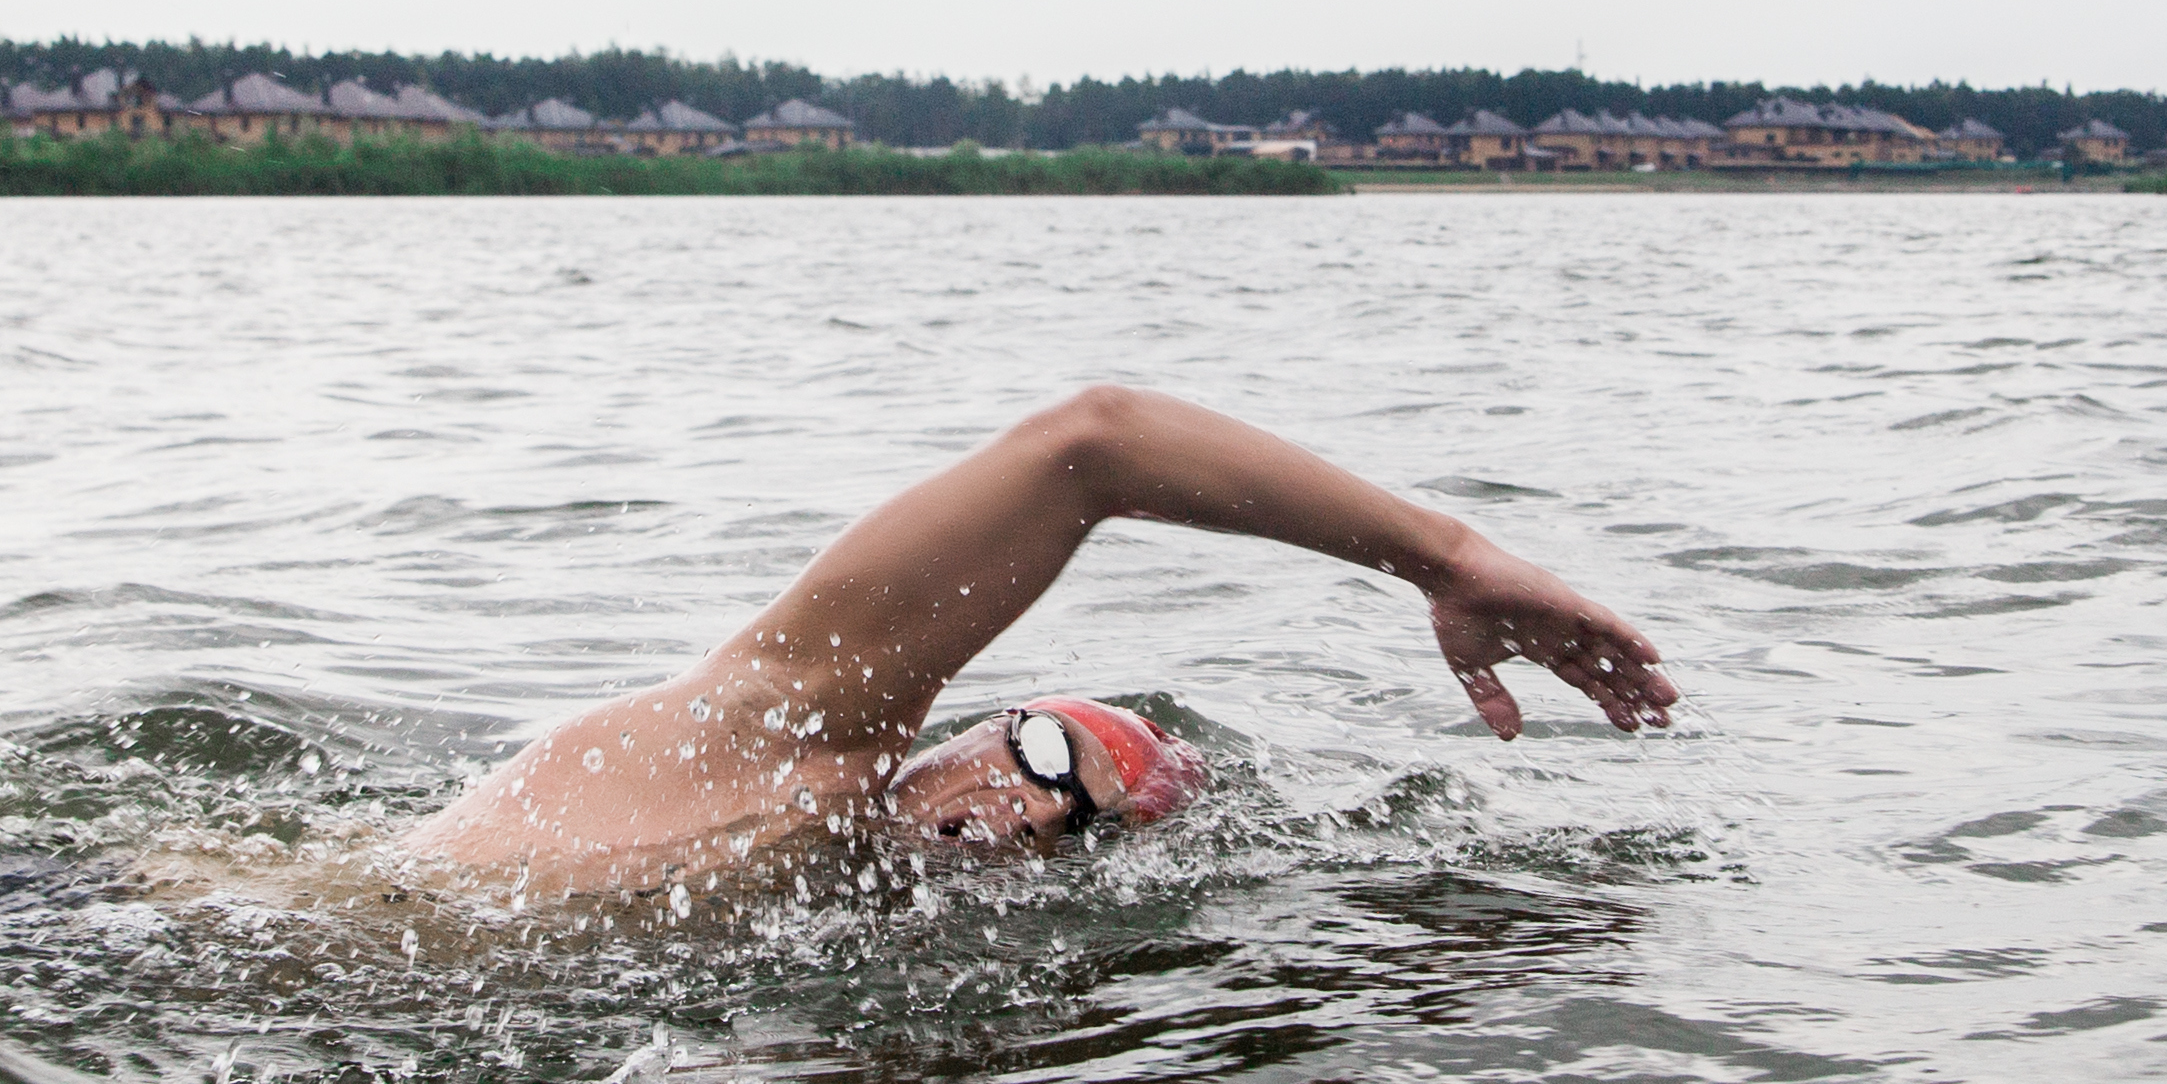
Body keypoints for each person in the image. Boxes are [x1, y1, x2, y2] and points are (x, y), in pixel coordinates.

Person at [388, 384, 1676, 900]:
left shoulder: (849, 913)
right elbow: (1094, 445)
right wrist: (1445, 557)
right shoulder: (792, 726)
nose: (1026, 809)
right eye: (1050, 753)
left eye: (1081, 819)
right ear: (972, 734)